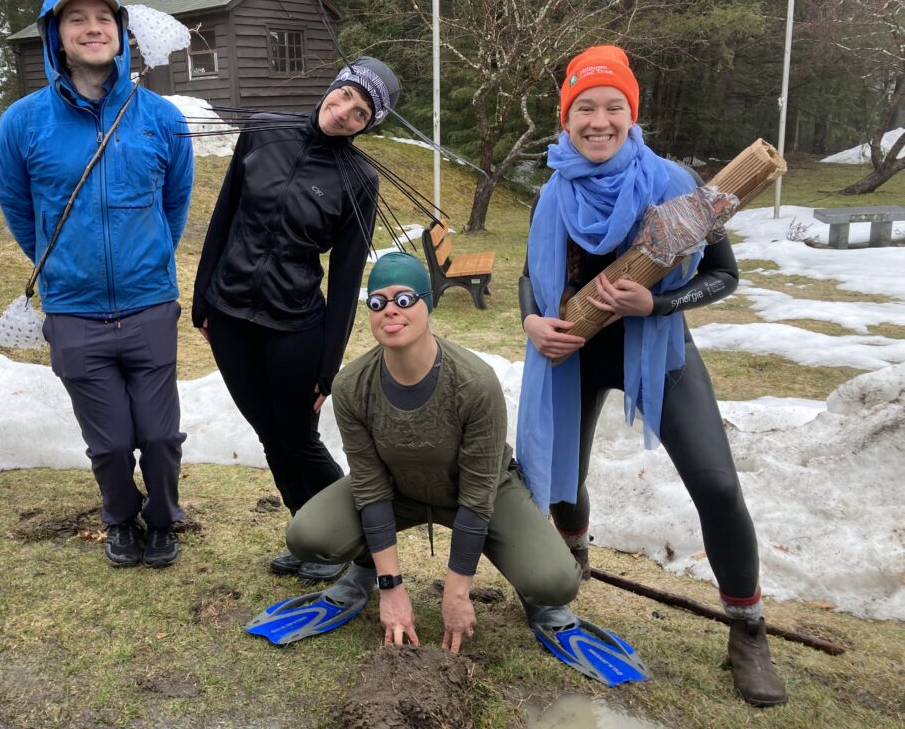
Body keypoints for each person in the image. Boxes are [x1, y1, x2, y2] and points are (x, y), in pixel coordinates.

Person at [516, 45, 787, 706]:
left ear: (629, 115)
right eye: (584, 108)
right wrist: (530, 320)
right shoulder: (554, 191)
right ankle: (571, 559)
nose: (598, 120)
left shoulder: (671, 182)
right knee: (559, 481)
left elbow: (723, 275)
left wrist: (656, 302)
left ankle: (747, 631)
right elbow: (530, 277)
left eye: (613, 107)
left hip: (656, 347)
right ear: (566, 119)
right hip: (572, 353)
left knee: (718, 488)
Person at [246, 254, 627, 680]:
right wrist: (392, 589)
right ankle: (363, 574)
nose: (390, 310)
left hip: (480, 493)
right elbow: (370, 488)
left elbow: (480, 492)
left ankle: (537, 602)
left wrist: (457, 590)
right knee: (308, 535)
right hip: (397, 492)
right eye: (378, 302)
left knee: (556, 582)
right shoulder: (353, 386)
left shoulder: (474, 382)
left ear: (428, 304)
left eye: (404, 299)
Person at [0, 0, 194, 569]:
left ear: (121, 32)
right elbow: (19, 209)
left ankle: (163, 518)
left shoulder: (159, 118)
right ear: (57, 34)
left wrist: (148, 259)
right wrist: (64, 268)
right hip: (73, 309)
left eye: (103, 18)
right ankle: (119, 518)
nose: (92, 28)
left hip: (148, 304)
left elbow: (174, 203)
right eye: (75, 19)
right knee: (108, 443)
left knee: (159, 437)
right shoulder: (23, 122)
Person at [191, 58, 400, 583]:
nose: (347, 110)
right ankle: (315, 539)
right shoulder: (262, 131)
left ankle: (368, 553)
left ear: (369, 124)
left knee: (299, 439)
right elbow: (225, 215)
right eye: (347, 94)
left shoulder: (359, 178)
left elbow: (349, 276)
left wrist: (327, 368)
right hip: (230, 313)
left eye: (363, 111)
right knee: (269, 435)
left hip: (296, 325)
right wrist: (202, 298)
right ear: (333, 86)